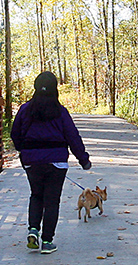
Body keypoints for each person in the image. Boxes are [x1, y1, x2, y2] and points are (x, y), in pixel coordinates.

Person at [10, 71, 91, 253]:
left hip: (32, 161)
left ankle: (33, 230)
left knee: (36, 195)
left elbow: (15, 134)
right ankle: (47, 241)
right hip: (56, 162)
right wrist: (83, 160)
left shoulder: (25, 110)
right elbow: (72, 137)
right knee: (52, 201)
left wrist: (24, 150)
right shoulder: (60, 112)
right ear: (55, 89)